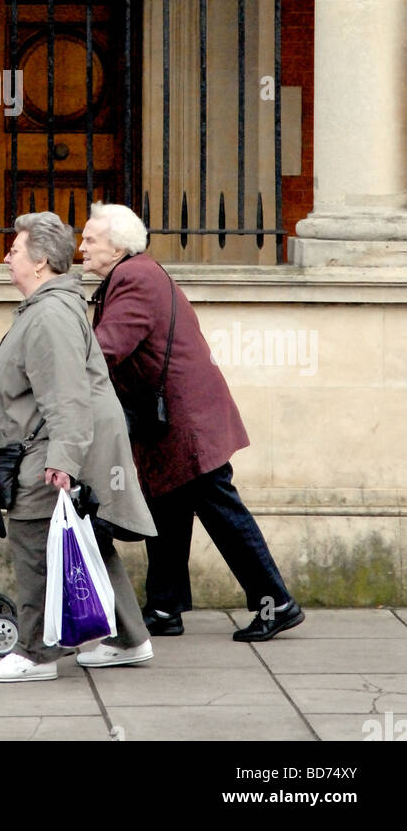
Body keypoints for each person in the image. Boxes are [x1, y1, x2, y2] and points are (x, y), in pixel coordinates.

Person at [80, 202, 304, 642]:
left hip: (187, 422)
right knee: (166, 506)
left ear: (118, 245)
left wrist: (55, 370)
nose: (81, 247)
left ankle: (275, 602)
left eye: (90, 239)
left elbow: (105, 349)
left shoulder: (134, 277)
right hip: (175, 420)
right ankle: (164, 609)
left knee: (221, 511)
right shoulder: (131, 275)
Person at [0, 211, 157, 682]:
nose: (6, 259)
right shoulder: (49, 308)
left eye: (14, 252)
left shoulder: (50, 315)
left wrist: (61, 460)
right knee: (89, 539)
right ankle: (129, 638)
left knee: (33, 538)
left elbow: (66, 395)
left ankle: (35, 654)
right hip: (60, 440)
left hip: (51, 446)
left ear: (39, 262)